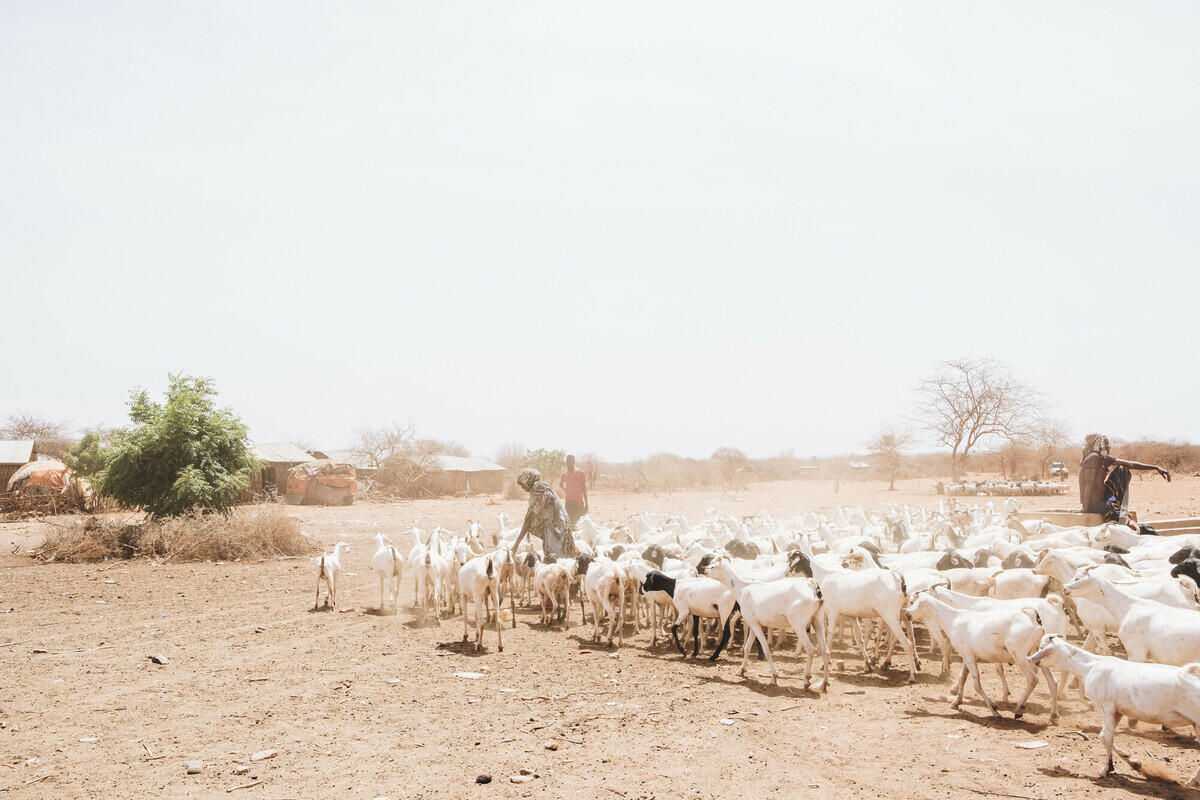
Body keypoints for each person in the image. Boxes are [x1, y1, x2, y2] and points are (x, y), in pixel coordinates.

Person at [1078, 433, 1170, 524]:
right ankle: (1114, 510)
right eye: (1106, 445)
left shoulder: (1104, 458)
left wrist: (1156, 468)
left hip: (1103, 498)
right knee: (1120, 519)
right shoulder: (1093, 457)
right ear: (1099, 445)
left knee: (1123, 470)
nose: (1108, 447)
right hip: (1094, 503)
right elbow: (1088, 485)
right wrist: (1086, 509)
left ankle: (1116, 506)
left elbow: (1131, 464)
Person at [512, 468, 578, 558]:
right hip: (556, 527)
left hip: (555, 528)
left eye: (522, 483)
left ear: (528, 480)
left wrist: (516, 545)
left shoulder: (538, 488)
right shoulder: (539, 489)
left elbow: (529, 518)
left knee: (557, 560)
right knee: (559, 558)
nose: (522, 487)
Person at [559, 454, 589, 526]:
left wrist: (587, 503)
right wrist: (566, 490)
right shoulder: (565, 474)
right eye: (567, 461)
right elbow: (560, 484)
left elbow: (584, 489)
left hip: (578, 503)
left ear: (574, 462)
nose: (569, 463)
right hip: (568, 503)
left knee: (579, 525)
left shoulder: (580, 473)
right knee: (569, 525)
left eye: (570, 461)